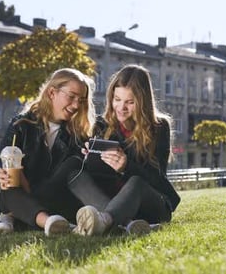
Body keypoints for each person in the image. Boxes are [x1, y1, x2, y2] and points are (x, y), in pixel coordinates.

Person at [68, 64, 181, 236]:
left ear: (142, 102)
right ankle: (126, 224)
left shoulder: (159, 127)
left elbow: (157, 178)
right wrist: (88, 157)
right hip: (113, 200)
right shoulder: (102, 125)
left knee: (135, 181)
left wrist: (126, 167)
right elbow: (98, 175)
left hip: (150, 202)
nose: (121, 108)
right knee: (75, 177)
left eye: (130, 102)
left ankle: (106, 221)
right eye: (117, 99)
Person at [0, 68, 96, 236]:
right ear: (52, 92)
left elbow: (69, 180)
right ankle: (47, 221)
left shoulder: (78, 135)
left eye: (80, 100)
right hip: (19, 192)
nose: (76, 105)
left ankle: (11, 216)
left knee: (74, 163)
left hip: (52, 198)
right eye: (71, 97)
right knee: (9, 183)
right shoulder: (22, 125)